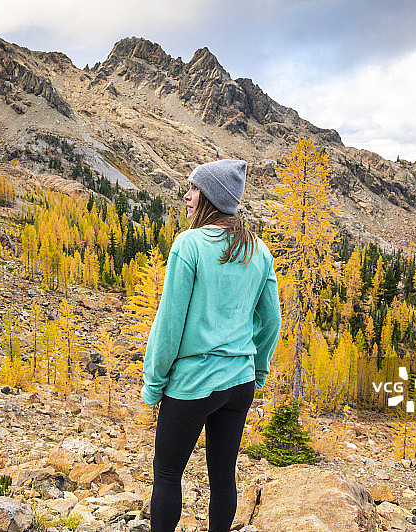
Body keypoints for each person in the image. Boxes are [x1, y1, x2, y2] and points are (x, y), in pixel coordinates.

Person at [141, 159, 281, 532]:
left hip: (194, 383)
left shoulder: (190, 244)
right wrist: (259, 369)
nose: (187, 196)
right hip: (239, 384)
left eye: (194, 188)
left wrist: (154, 382)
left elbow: (169, 323)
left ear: (212, 197)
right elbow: (271, 321)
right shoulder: (259, 251)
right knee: (223, 478)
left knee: (168, 476)